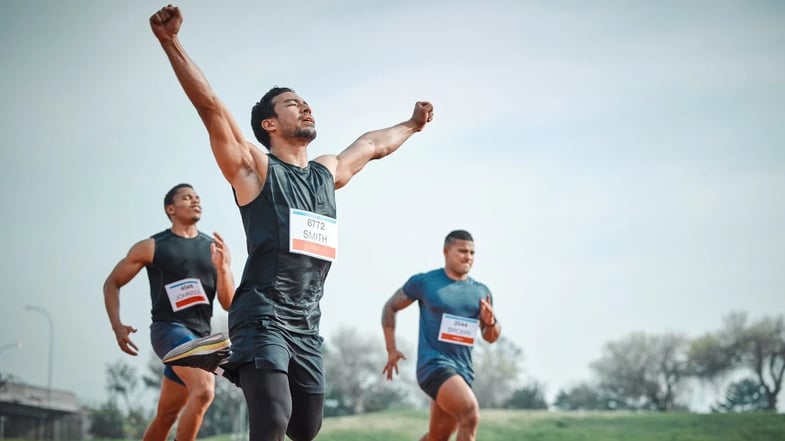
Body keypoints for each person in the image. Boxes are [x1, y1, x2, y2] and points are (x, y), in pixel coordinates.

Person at [148, 5, 434, 441]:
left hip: (307, 322)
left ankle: (229, 359)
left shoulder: (326, 172)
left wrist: (412, 125)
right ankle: (240, 353)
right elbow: (210, 106)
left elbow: (374, 144)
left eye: (305, 102)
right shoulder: (253, 169)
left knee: (306, 427)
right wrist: (172, 44)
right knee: (272, 421)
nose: (305, 107)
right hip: (262, 314)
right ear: (269, 123)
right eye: (292, 104)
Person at [103, 183, 235, 441]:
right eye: (187, 198)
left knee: (167, 414)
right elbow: (112, 283)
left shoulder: (213, 249)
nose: (195, 201)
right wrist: (116, 325)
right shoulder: (152, 246)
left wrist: (223, 268)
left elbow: (229, 303)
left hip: (200, 339)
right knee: (204, 390)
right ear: (170, 209)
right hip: (168, 330)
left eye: (197, 197)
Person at [381, 230, 501, 441]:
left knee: (438, 437)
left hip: (463, 370)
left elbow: (490, 336)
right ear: (446, 251)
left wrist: (490, 320)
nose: (468, 257)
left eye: (472, 253)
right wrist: (391, 349)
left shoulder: (481, 292)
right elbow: (390, 307)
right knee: (470, 414)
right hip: (433, 365)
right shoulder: (425, 282)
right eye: (462, 251)